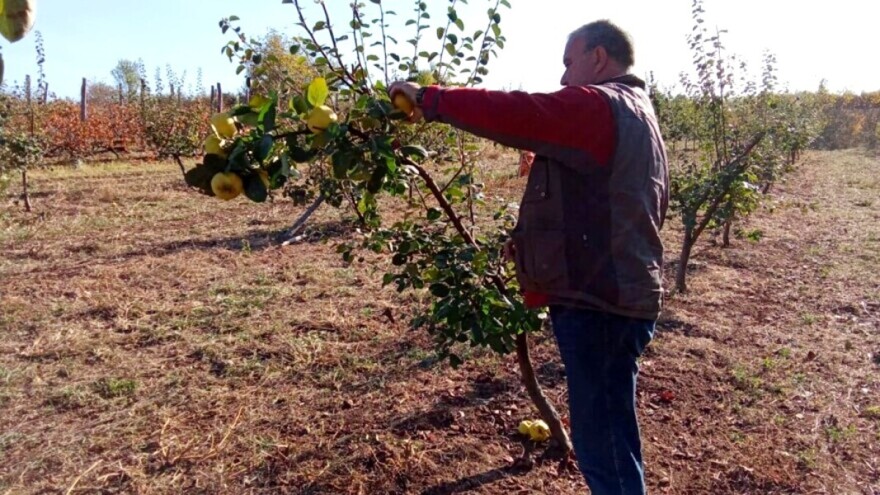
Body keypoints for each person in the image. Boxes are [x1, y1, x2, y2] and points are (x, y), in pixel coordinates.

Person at [390, 20, 668, 495]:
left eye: (569, 63)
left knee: (605, 449)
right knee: (612, 437)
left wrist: (430, 99)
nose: (563, 79)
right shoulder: (639, 112)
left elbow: (518, 112)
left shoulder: (599, 105)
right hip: (615, 295)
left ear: (598, 58)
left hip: (600, 303)